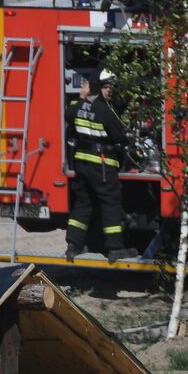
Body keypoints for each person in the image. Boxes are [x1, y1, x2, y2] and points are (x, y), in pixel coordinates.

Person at [65, 68, 137, 262]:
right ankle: (115, 249)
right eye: (106, 87)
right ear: (98, 87)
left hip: (81, 163)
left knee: (83, 203)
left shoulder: (79, 105)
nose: (109, 91)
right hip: (102, 165)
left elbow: (69, 114)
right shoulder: (105, 110)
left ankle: (73, 246)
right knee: (110, 204)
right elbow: (120, 136)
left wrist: (82, 98)